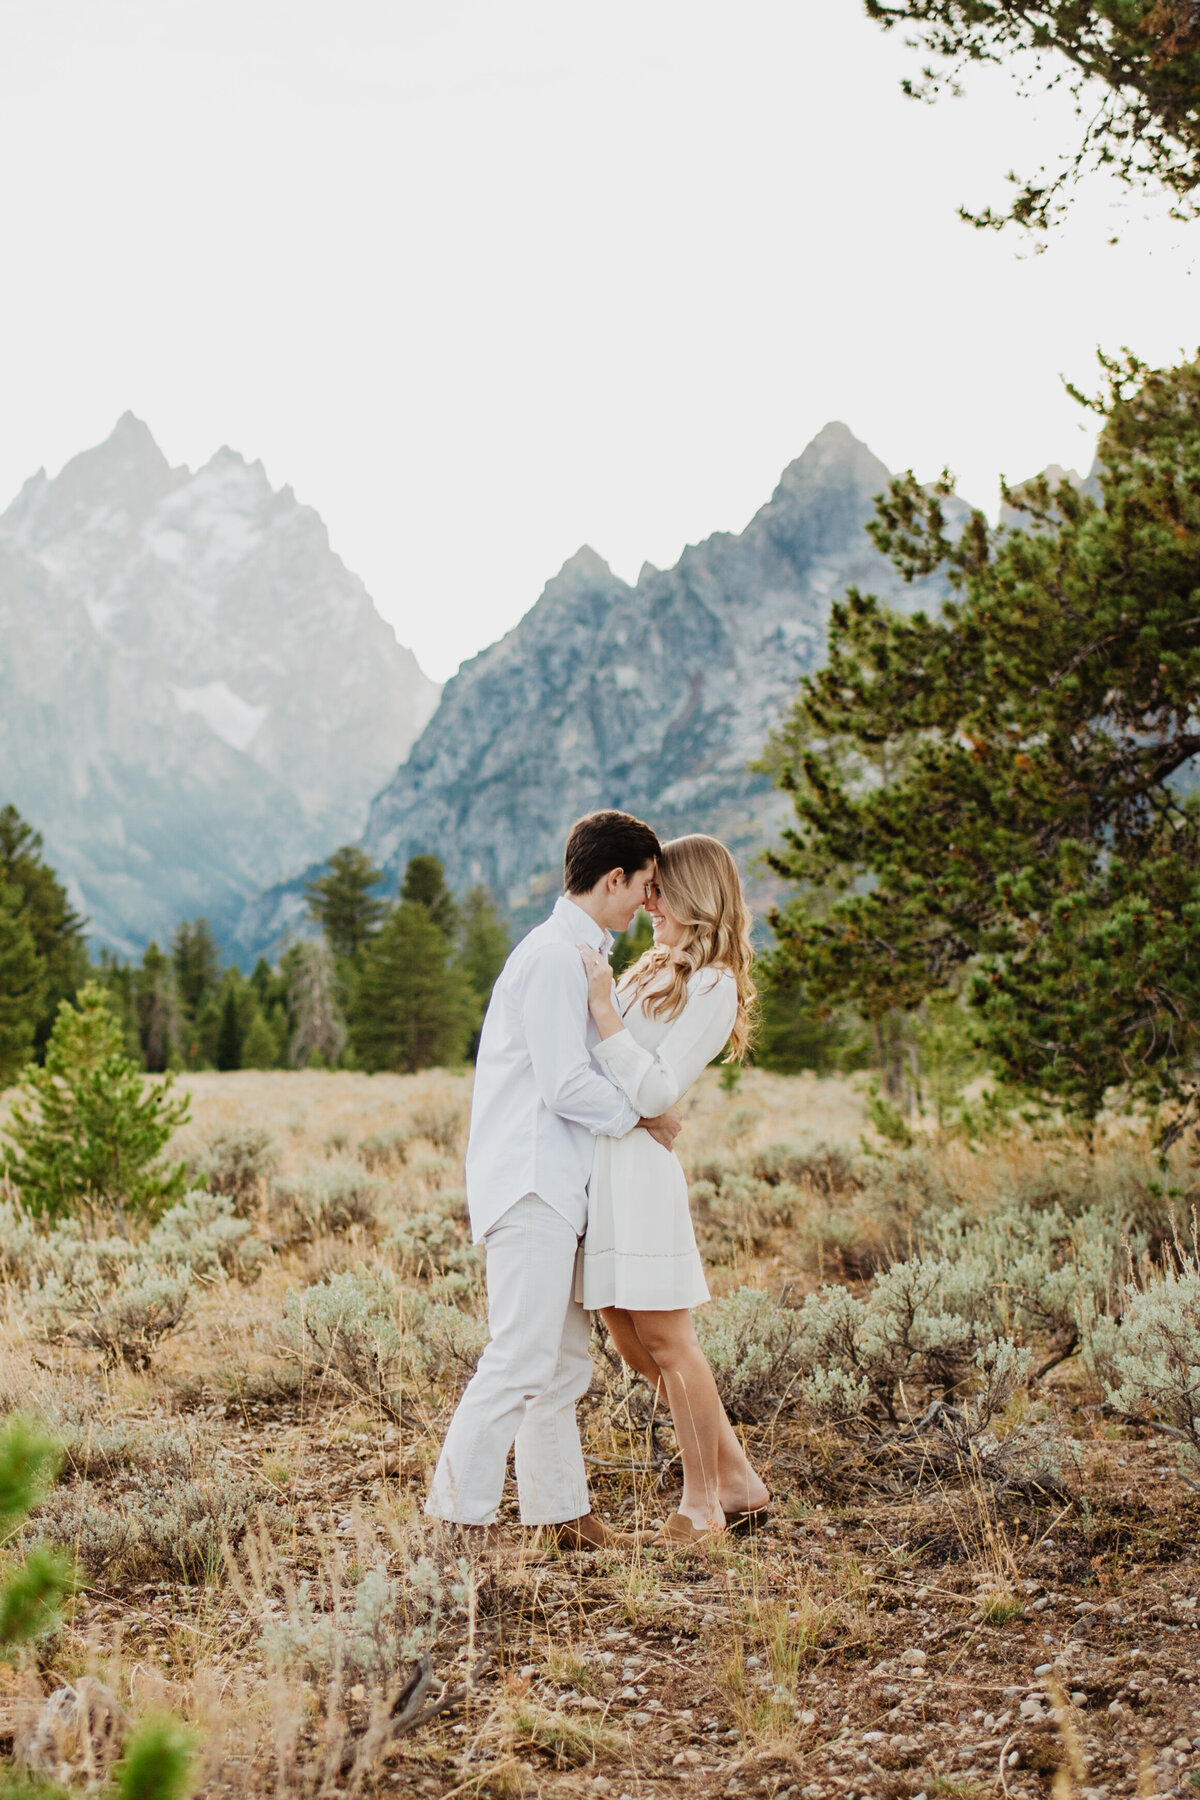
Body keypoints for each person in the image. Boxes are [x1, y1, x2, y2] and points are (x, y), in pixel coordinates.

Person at [426, 809, 681, 1549]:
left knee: (562, 1365)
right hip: (533, 1184)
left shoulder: (578, 955)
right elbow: (566, 1084)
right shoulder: (548, 959)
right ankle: (454, 1519)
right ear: (615, 878)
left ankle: (562, 1515)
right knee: (521, 1356)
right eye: (646, 886)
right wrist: (643, 1119)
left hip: (561, 1188)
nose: (648, 903)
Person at [578, 833, 771, 1546]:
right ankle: (742, 1480)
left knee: (667, 1339)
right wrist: (643, 1096)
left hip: (642, 1180)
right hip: (606, 1173)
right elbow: (631, 1086)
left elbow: (658, 1084)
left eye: (661, 889)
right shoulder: (648, 969)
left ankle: (703, 1505)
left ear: (697, 895)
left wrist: (605, 1014)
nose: (647, 900)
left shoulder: (715, 984)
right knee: (629, 1341)